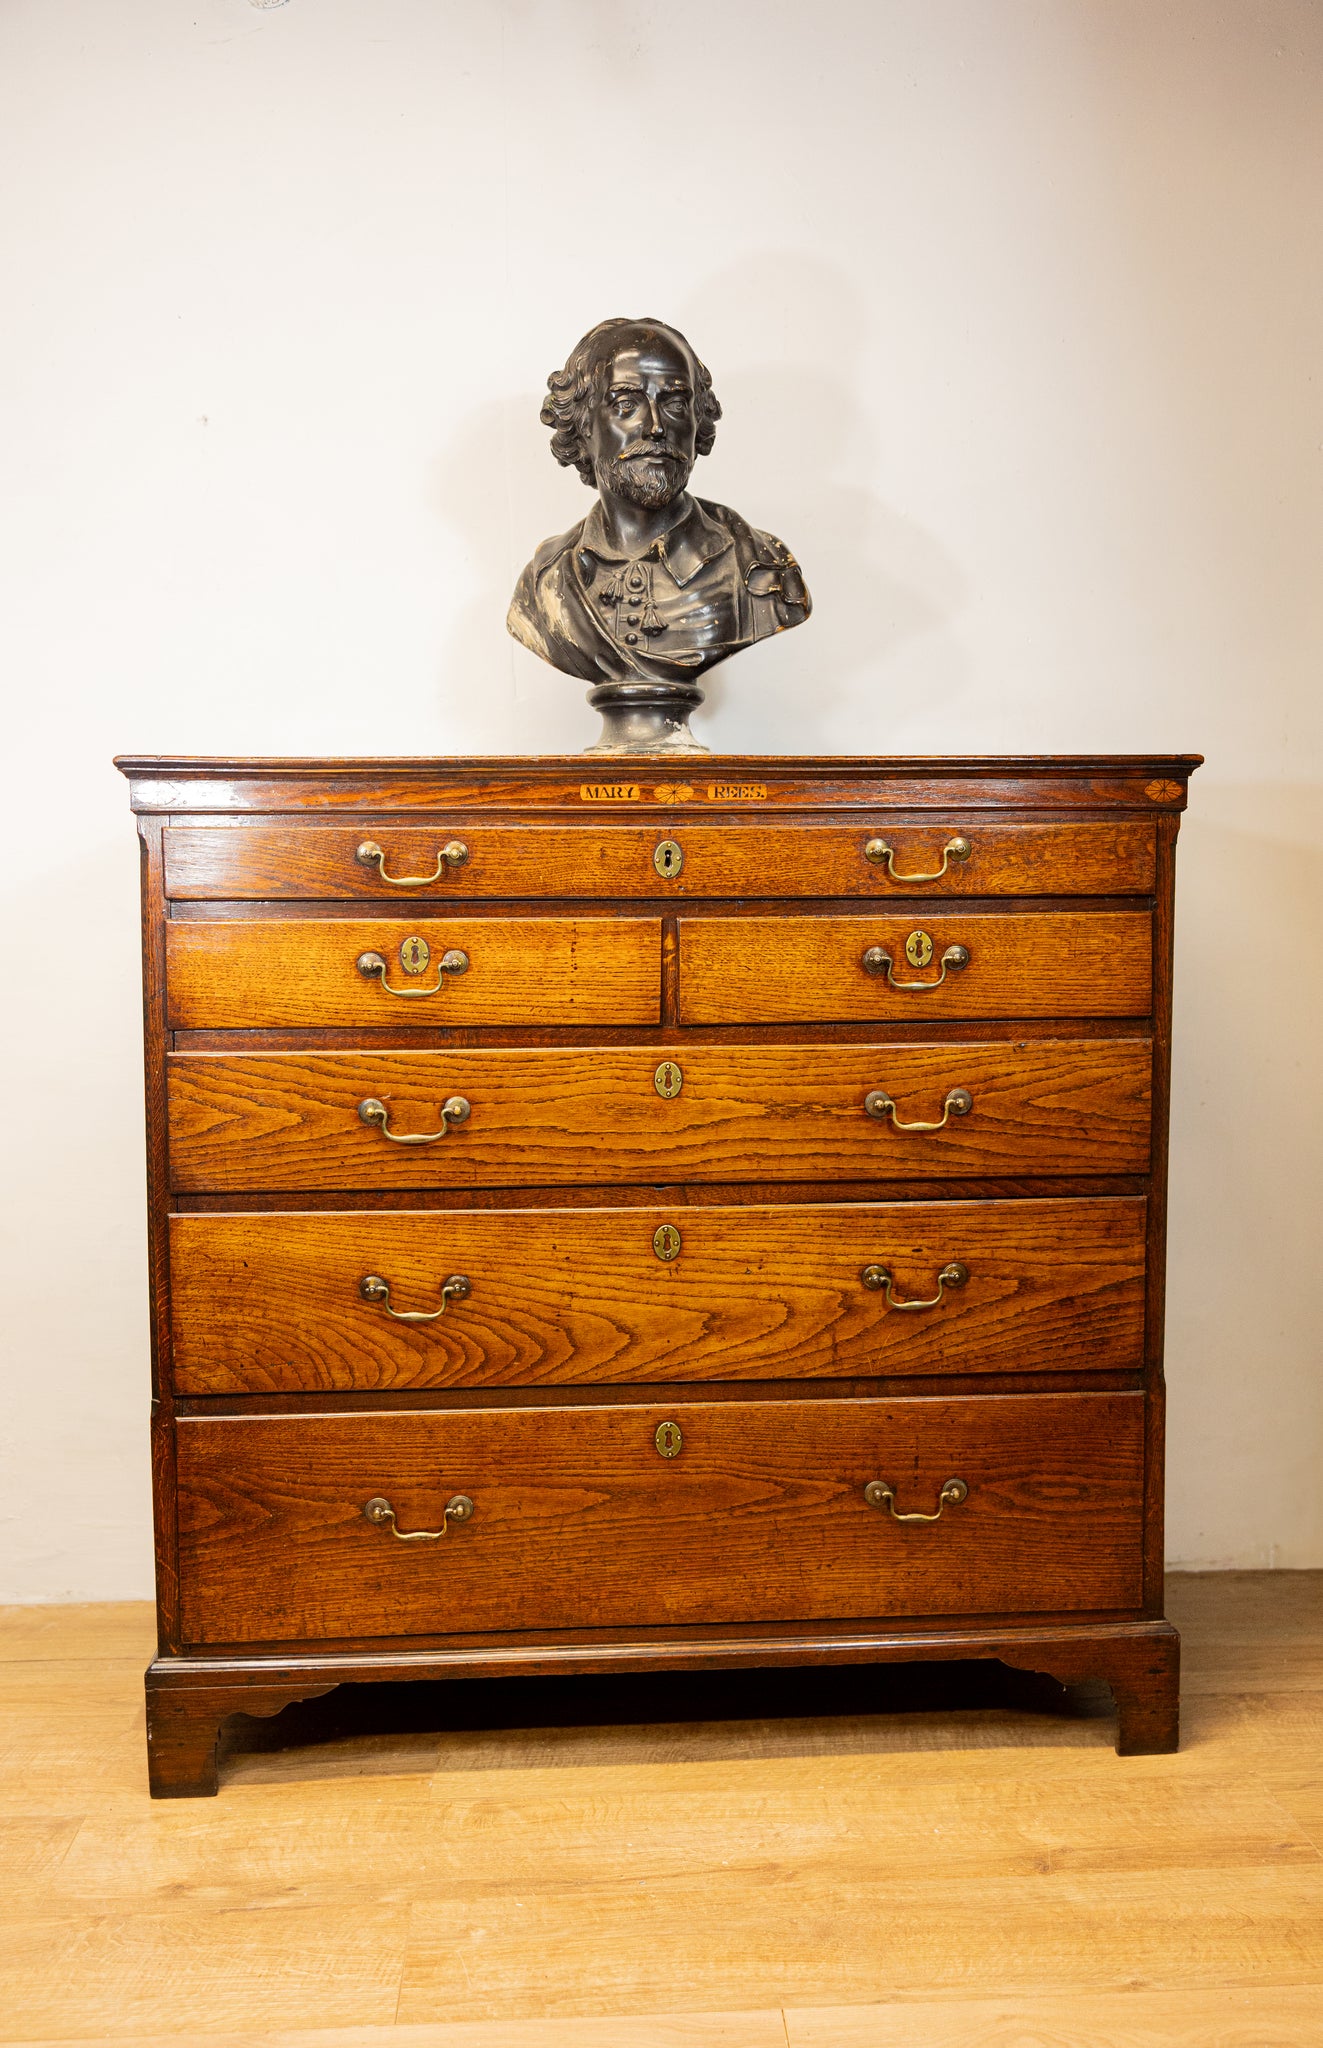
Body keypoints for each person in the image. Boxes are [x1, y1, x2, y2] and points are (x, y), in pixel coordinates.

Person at [508, 317, 810, 683]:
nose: (654, 426)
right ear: (584, 424)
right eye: (625, 404)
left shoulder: (759, 566)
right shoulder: (548, 580)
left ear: (698, 422)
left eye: (676, 405)